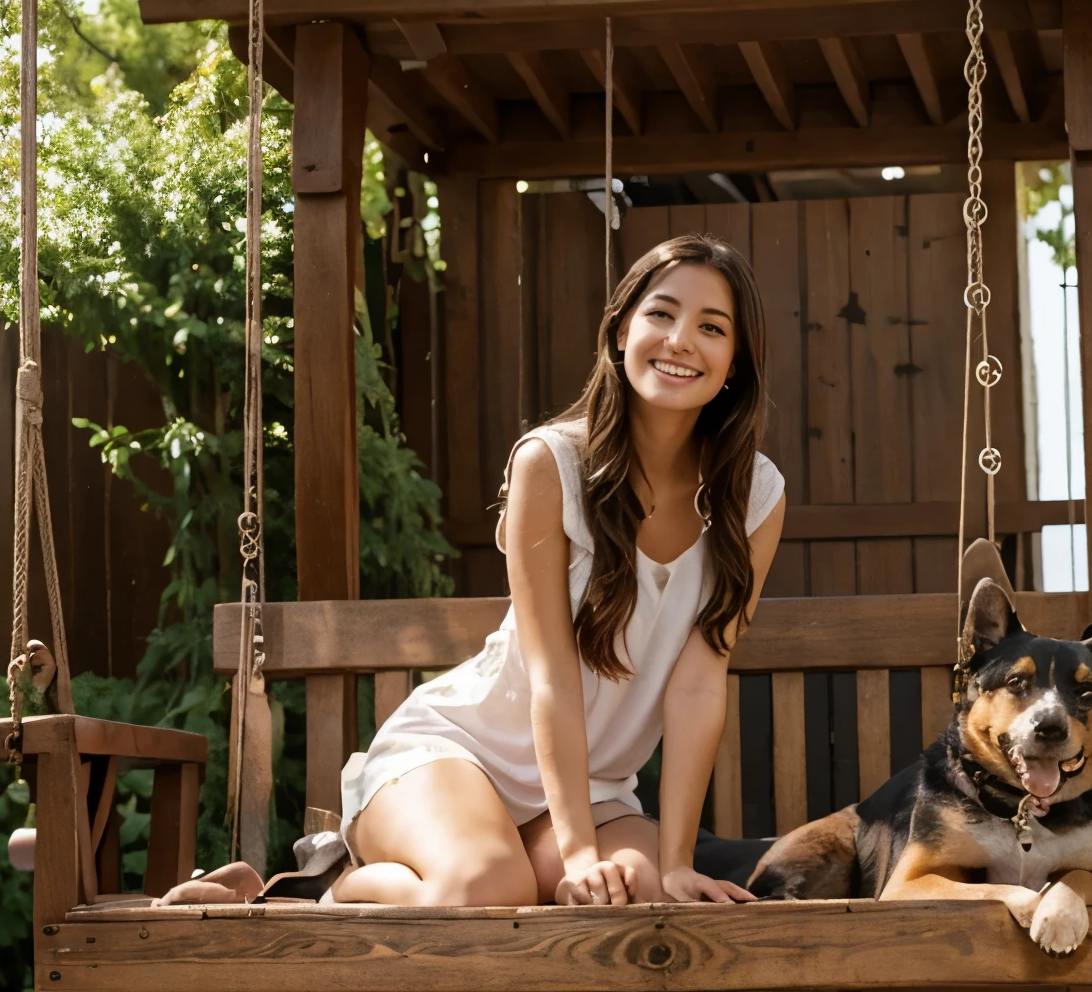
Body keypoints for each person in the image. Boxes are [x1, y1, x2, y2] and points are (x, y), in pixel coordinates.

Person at [329, 231, 784, 907]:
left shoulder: (755, 495)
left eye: (711, 327)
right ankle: (321, 884)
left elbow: (697, 685)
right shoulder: (551, 464)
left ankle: (520, 858)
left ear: (736, 364)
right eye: (661, 313)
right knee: (483, 887)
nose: (681, 339)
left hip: (589, 788)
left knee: (648, 890)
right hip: (459, 755)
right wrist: (575, 856)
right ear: (621, 329)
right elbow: (553, 676)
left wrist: (679, 860)